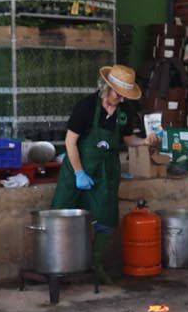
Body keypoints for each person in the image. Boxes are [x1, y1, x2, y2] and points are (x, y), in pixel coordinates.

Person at [53, 64, 149, 275]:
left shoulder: (124, 112)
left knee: (105, 217)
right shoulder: (86, 107)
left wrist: (144, 142)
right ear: (107, 88)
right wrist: (79, 173)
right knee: (61, 214)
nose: (122, 99)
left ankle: (96, 266)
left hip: (106, 172)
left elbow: (126, 139)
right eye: (119, 94)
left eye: (125, 96)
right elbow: (70, 143)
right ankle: (60, 267)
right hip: (78, 167)